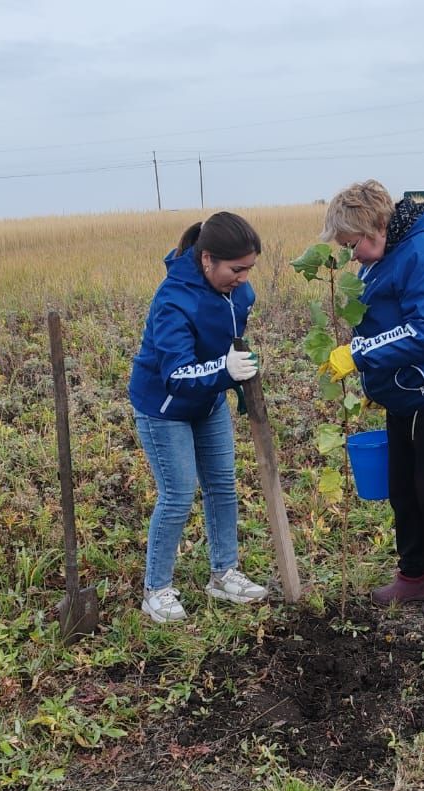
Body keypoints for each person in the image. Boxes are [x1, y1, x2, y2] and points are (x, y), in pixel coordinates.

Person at [319, 180, 424, 615]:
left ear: (377, 226)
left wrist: (357, 354)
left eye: (351, 243)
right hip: (409, 393)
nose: (349, 255)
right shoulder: (383, 256)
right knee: (405, 489)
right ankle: (416, 573)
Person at [128, 212, 269, 623]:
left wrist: (234, 366)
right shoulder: (172, 300)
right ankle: (156, 589)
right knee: (177, 494)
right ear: (207, 259)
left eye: (249, 269)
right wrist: (225, 371)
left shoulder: (238, 293)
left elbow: (228, 340)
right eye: (236, 269)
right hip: (164, 408)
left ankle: (223, 573)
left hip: (207, 401)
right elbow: (175, 375)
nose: (243, 278)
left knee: (222, 484)